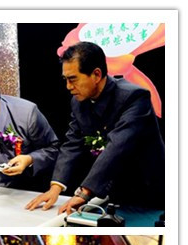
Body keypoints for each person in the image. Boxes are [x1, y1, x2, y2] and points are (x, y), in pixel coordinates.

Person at [26, 41, 165, 215]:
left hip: (149, 189)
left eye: (73, 79)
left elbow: (117, 146)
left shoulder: (134, 97)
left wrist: (84, 193)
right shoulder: (78, 102)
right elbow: (72, 143)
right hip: (115, 189)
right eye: (65, 80)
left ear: (96, 74)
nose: (68, 87)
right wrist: (55, 187)